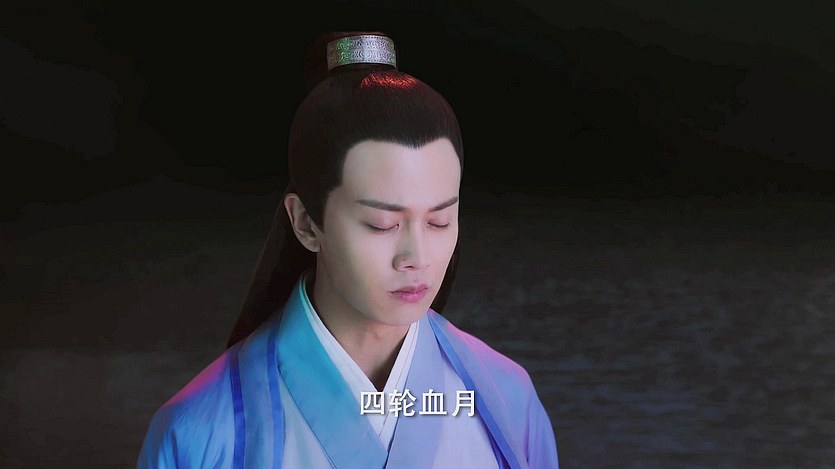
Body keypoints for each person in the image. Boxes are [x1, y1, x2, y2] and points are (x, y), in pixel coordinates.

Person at [137, 31, 559, 468]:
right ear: (306, 222)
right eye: (382, 224)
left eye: (439, 221)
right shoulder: (200, 432)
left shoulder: (507, 399)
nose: (417, 257)